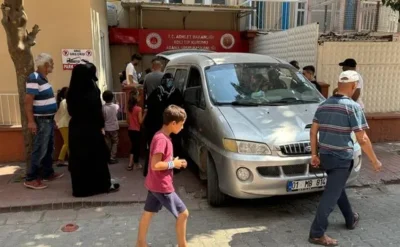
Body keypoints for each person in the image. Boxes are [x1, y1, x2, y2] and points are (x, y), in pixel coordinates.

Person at [308, 70, 382, 246]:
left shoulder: (323, 105)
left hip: (326, 156)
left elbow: (313, 131)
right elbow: (362, 138)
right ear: (354, 86)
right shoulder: (353, 107)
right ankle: (317, 233)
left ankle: (350, 218)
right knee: (331, 195)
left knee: (337, 187)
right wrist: (374, 160)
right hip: (341, 158)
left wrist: (314, 154)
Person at [136, 105, 189, 247]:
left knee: (148, 213)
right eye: (181, 124)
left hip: (154, 184)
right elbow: (155, 165)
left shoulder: (161, 136)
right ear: (173, 123)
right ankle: (183, 245)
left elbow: (161, 162)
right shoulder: (162, 139)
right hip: (162, 186)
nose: (182, 127)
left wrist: (173, 161)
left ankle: (140, 243)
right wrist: (173, 164)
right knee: (183, 214)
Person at [67, 63, 119, 197]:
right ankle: (101, 185)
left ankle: (81, 189)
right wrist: (100, 126)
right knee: (96, 158)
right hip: (91, 130)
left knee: (80, 159)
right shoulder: (91, 91)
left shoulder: (71, 92)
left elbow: (71, 111)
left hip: (76, 130)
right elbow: (96, 111)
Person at [24, 53, 64, 190]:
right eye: (51, 63)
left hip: (48, 119)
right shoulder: (34, 78)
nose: (53, 66)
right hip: (41, 120)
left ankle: (47, 172)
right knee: (40, 148)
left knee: (48, 147)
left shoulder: (43, 79)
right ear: (46, 65)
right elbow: (28, 101)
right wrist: (31, 121)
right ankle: (31, 178)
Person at [143, 73, 184, 177]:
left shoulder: (157, 93)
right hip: (168, 126)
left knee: (159, 148)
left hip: (157, 126)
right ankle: (170, 168)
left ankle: (159, 168)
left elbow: (149, 107)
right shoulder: (176, 93)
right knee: (169, 147)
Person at [126, 87, 143, 171]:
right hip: (137, 130)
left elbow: (127, 121)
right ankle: (133, 164)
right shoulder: (139, 109)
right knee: (136, 147)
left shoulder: (129, 108)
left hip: (130, 130)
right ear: (136, 98)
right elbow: (140, 121)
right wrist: (145, 114)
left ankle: (132, 163)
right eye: (139, 96)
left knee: (134, 146)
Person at [102, 90, 120, 164]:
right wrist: (117, 102)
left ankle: (107, 156)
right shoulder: (115, 106)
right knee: (115, 142)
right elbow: (118, 107)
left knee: (107, 143)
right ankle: (112, 157)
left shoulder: (103, 107)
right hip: (114, 128)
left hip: (106, 128)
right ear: (112, 98)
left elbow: (103, 117)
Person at [55, 87, 71, 167]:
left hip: (63, 124)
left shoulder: (63, 102)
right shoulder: (67, 102)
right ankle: (60, 159)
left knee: (68, 142)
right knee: (67, 143)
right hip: (65, 124)